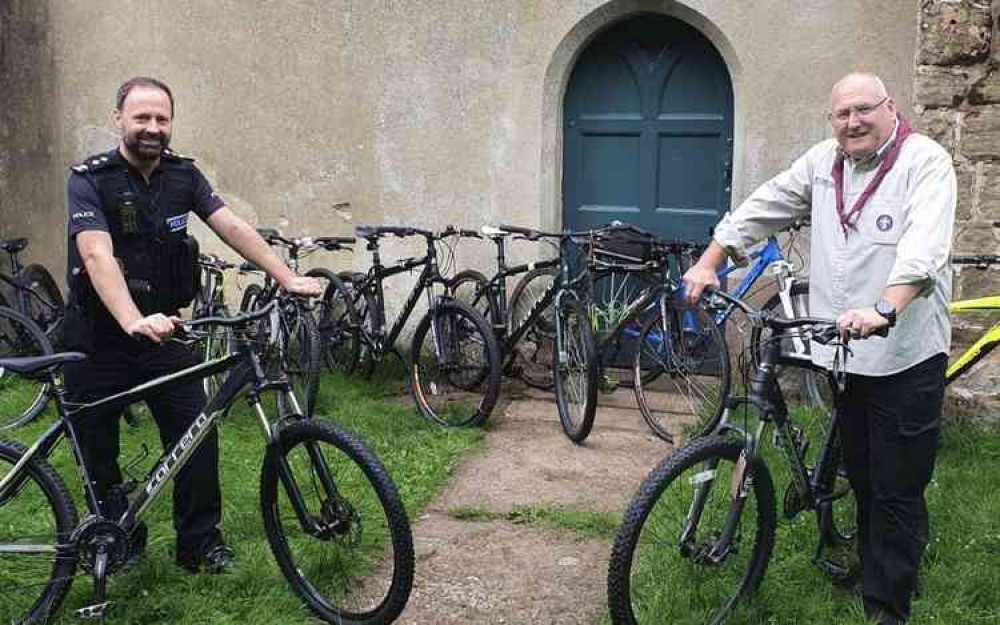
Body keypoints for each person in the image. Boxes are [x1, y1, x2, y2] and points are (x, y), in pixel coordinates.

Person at [683, 73, 956, 624]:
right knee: (861, 471)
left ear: (890, 107)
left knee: (898, 485)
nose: (853, 122)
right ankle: (871, 559)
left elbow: (924, 248)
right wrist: (712, 259)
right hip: (846, 353)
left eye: (864, 109)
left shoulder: (925, 162)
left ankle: (888, 606)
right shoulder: (822, 164)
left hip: (905, 352)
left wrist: (885, 309)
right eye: (842, 114)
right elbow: (767, 203)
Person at [63, 76, 322, 573]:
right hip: (96, 336)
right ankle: (118, 542)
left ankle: (199, 546)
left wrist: (286, 276)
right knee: (98, 451)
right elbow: (97, 254)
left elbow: (230, 225)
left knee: (196, 434)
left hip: (165, 334)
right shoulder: (89, 178)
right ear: (119, 118)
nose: (152, 128)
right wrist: (131, 319)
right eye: (142, 117)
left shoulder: (184, 176)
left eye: (162, 118)